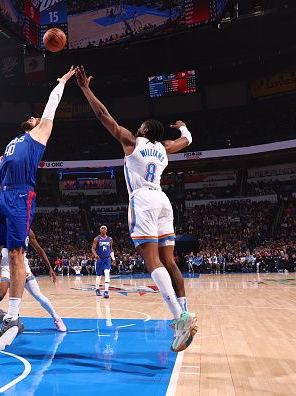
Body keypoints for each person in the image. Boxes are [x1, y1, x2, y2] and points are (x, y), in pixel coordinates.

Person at [75, 66, 196, 352]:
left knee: (152, 261)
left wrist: (85, 89)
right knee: (171, 262)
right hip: (163, 200)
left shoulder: (132, 141)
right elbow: (187, 140)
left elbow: (103, 116)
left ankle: (180, 319)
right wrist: (182, 127)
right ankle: (185, 310)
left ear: (144, 130)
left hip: (142, 200)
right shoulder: (164, 148)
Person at [0, 66, 76, 352]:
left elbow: (51, 104)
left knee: (16, 253)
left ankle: (13, 318)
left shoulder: (40, 133)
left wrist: (63, 81)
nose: (34, 116)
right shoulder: (11, 144)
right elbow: (0, 172)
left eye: (36, 115)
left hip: (20, 196)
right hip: (1, 196)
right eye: (33, 116)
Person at [0, 229, 66, 332]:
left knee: (38, 296)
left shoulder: (28, 231)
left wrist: (50, 268)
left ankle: (57, 318)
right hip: (6, 267)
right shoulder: (2, 229)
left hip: (22, 266)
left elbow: (39, 249)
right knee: (0, 294)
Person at [91, 225, 115, 298]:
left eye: (105, 229)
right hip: (99, 259)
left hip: (107, 259)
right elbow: (93, 248)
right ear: (100, 230)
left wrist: (113, 258)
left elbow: (111, 250)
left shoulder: (110, 239)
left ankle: (106, 291)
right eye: (102, 229)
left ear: (106, 230)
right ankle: (97, 289)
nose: (103, 230)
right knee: (99, 276)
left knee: (107, 274)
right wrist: (95, 255)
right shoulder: (97, 239)